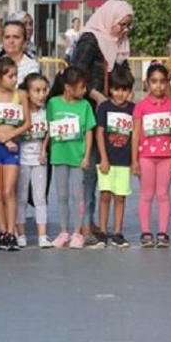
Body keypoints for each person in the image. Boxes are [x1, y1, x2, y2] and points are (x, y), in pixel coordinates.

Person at [0, 20, 41, 242]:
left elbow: (31, 100)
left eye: (16, 37)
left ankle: (14, 228)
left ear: (25, 40)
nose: (11, 41)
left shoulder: (30, 66)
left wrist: (12, 135)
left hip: (18, 139)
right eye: (7, 37)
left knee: (14, 187)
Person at [74, 0, 134, 240]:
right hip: (91, 110)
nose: (124, 30)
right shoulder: (90, 39)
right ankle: (86, 225)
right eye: (122, 25)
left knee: (109, 171)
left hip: (113, 115)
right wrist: (97, 95)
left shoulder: (121, 44)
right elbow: (76, 73)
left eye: (128, 26)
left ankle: (102, 224)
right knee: (89, 169)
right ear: (110, 19)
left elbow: (124, 75)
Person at [0, 56, 31, 251]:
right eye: (10, 76)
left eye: (15, 75)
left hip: (12, 148)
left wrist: (12, 135)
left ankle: (12, 232)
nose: (14, 79)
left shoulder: (21, 96)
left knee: (10, 191)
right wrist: (1, 137)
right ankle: (2, 232)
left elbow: (27, 123)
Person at [48, 66, 97, 248]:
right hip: (59, 156)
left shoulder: (84, 106)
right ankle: (63, 231)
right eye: (82, 87)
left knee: (78, 196)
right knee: (62, 195)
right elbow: (49, 127)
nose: (85, 91)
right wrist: (44, 150)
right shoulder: (53, 103)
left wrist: (86, 156)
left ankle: (77, 232)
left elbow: (89, 132)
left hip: (77, 158)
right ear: (68, 87)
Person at [133, 63, 171, 248]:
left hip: (166, 157)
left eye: (162, 82)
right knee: (146, 194)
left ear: (167, 83)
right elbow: (135, 134)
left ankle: (163, 232)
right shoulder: (141, 107)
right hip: (145, 156)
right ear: (147, 83)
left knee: (163, 194)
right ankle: (145, 232)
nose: (158, 86)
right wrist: (134, 160)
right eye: (154, 82)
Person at [95, 66, 136, 248]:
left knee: (120, 196)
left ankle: (118, 232)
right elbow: (99, 133)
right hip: (107, 161)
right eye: (116, 89)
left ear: (130, 91)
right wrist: (103, 158)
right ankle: (103, 232)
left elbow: (136, 135)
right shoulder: (104, 107)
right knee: (105, 195)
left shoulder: (134, 109)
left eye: (124, 89)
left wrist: (135, 161)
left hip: (124, 161)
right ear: (110, 89)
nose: (120, 94)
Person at [15, 73, 52, 248]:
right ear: (27, 93)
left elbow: (49, 132)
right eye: (37, 90)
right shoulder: (21, 113)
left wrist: (44, 149)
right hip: (22, 159)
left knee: (40, 197)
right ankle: (20, 234)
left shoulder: (46, 112)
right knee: (21, 197)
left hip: (39, 160)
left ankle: (42, 236)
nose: (41, 94)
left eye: (44, 90)